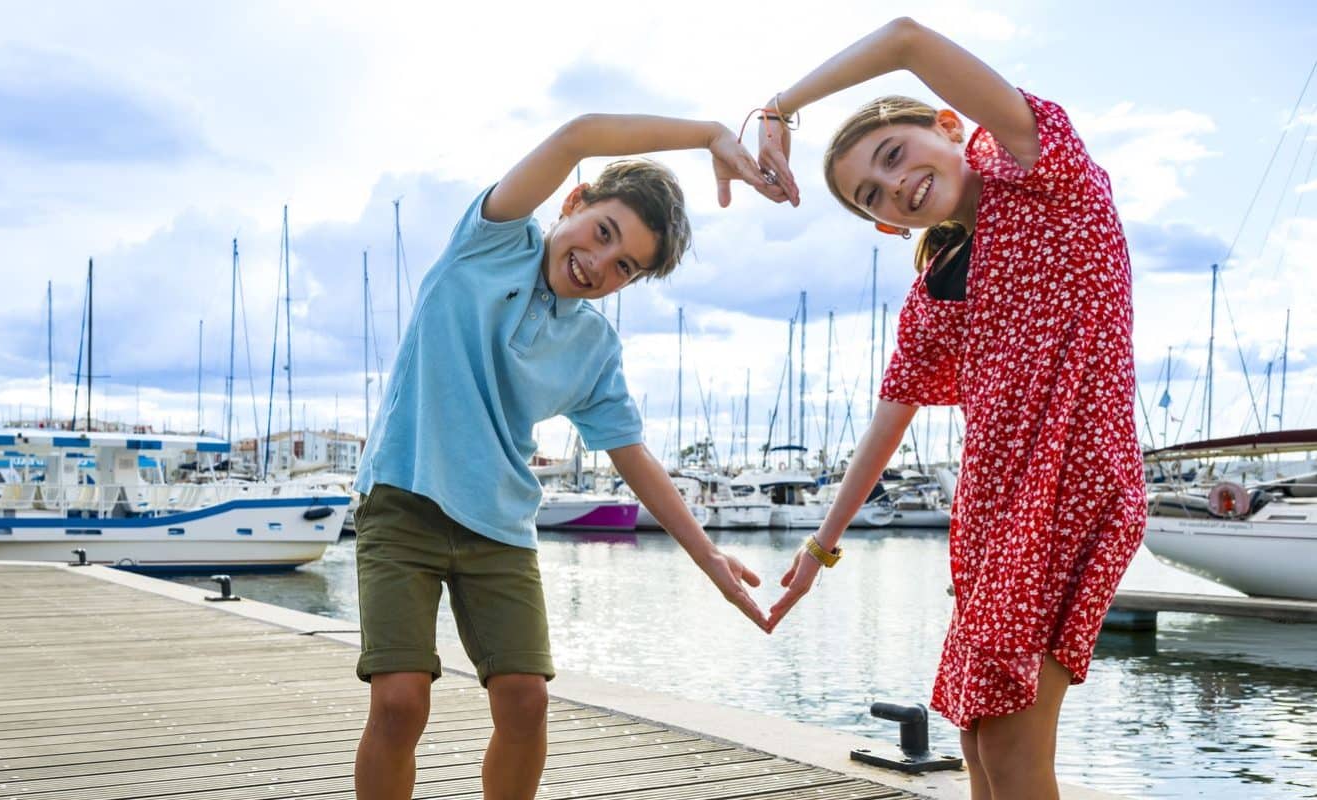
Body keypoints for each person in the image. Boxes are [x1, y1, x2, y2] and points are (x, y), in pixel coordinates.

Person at [753, 19, 1145, 800]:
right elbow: (889, 421)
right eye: (874, 193)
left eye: (894, 156)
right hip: (990, 518)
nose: (894, 183)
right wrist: (817, 552)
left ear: (948, 125)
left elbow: (903, 37)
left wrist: (780, 109)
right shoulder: (934, 293)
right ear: (886, 225)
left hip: (1069, 488)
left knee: (1011, 746)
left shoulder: (1045, 174)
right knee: (976, 742)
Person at [349, 110, 782, 800]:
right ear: (573, 203)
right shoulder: (489, 243)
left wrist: (707, 556)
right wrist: (708, 134)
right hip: (403, 500)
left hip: (500, 527)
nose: (597, 264)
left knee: (526, 701)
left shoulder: (592, 347)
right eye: (602, 233)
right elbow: (578, 136)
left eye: (624, 268)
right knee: (400, 701)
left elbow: (631, 455)